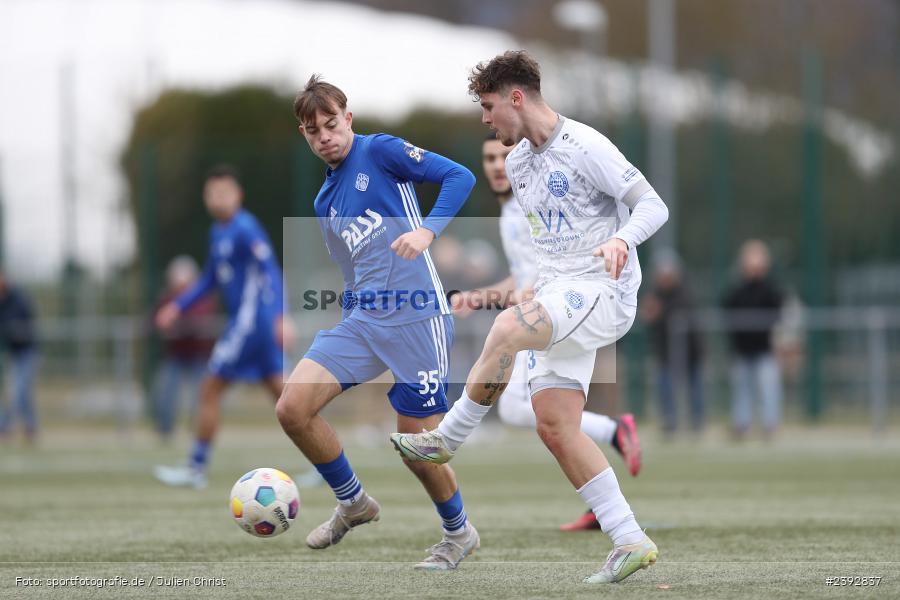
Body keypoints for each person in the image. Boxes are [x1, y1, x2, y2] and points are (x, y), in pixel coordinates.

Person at [392, 51, 668, 584]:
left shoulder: (586, 145)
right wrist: (530, 290)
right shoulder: (517, 162)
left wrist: (620, 238)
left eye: (489, 106)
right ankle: (630, 538)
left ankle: (446, 437)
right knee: (554, 425)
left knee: (506, 330)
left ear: (516, 98)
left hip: (603, 291)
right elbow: (548, 247)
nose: (485, 119)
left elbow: (652, 204)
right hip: (562, 293)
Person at [274, 76, 479, 570]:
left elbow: (460, 177)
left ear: (348, 118)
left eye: (331, 123)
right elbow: (348, 266)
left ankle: (458, 533)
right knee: (292, 408)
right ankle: (353, 502)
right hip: (363, 322)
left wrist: (429, 231)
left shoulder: (381, 150)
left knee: (416, 449)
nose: (324, 136)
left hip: (417, 319)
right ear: (304, 136)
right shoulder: (324, 202)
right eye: (312, 130)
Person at [451, 134, 642, 532]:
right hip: (540, 312)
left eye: (503, 155)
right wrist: (479, 296)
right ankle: (608, 500)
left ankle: (448, 437)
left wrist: (526, 294)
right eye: (488, 157)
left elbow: (556, 264)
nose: (496, 164)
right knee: (533, 414)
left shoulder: (528, 203)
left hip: (557, 312)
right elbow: (523, 278)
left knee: (535, 413)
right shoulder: (508, 212)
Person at [153, 166, 293, 488]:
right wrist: (177, 306)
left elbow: (270, 270)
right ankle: (323, 465)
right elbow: (209, 280)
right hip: (251, 327)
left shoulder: (246, 228)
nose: (218, 199)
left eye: (224, 192)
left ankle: (196, 468)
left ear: (238, 195)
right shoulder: (218, 233)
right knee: (288, 400)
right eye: (213, 193)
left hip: (250, 325)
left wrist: (281, 316)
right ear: (206, 197)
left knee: (210, 388)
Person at [152, 256, 217, 441]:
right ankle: (165, 429)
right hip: (176, 355)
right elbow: (157, 320)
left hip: (199, 355)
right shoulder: (168, 300)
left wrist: (184, 324)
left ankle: (198, 430)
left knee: (203, 394)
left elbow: (204, 323)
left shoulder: (202, 299)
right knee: (165, 391)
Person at [723, 239, 783, 439]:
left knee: (768, 389)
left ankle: (769, 425)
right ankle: (741, 425)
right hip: (742, 350)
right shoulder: (738, 289)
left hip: (764, 349)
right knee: (742, 391)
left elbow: (776, 308)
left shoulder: (770, 289)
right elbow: (729, 306)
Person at [641, 251, 705, 437]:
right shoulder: (655, 294)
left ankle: (697, 421)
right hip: (665, 351)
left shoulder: (686, 291)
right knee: (665, 386)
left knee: (695, 386)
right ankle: (670, 420)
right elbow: (649, 316)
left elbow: (681, 312)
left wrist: (660, 312)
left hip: (692, 350)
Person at [0, 271, 39, 443]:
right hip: (12, 353)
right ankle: (30, 427)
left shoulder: (18, 299)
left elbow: (27, 324)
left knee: (19, 391)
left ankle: (7, 428)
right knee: (19, 393)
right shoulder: (3, 301)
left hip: (27, 351)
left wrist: (13, 330)